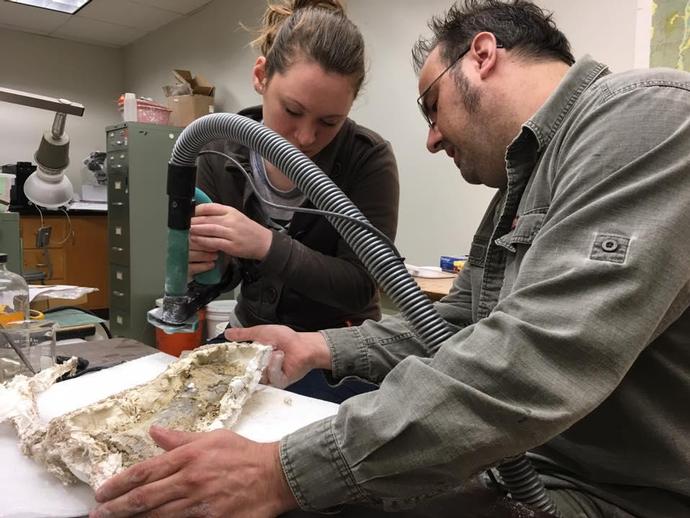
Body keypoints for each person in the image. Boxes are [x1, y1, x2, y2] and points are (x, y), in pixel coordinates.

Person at [90, 1, 690, 517]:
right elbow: (451, 329)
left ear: (482, 55)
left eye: (431, 107)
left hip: (606, 496)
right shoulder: (519, 189)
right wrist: (320, 349)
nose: (430, 138)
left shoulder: (648, 120)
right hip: (520, 467)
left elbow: (536, 361)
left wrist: (279, 473)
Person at [190, 0, 399, 402]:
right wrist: (199, 263)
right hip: (252, 339)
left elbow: (361, 286)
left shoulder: (367, 158)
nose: (305, 138)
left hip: (334, 355)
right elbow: (227, 275)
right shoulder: (218, 150)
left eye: (328, 123)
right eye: (292, 111)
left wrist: (267, 244)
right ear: (261, 76)